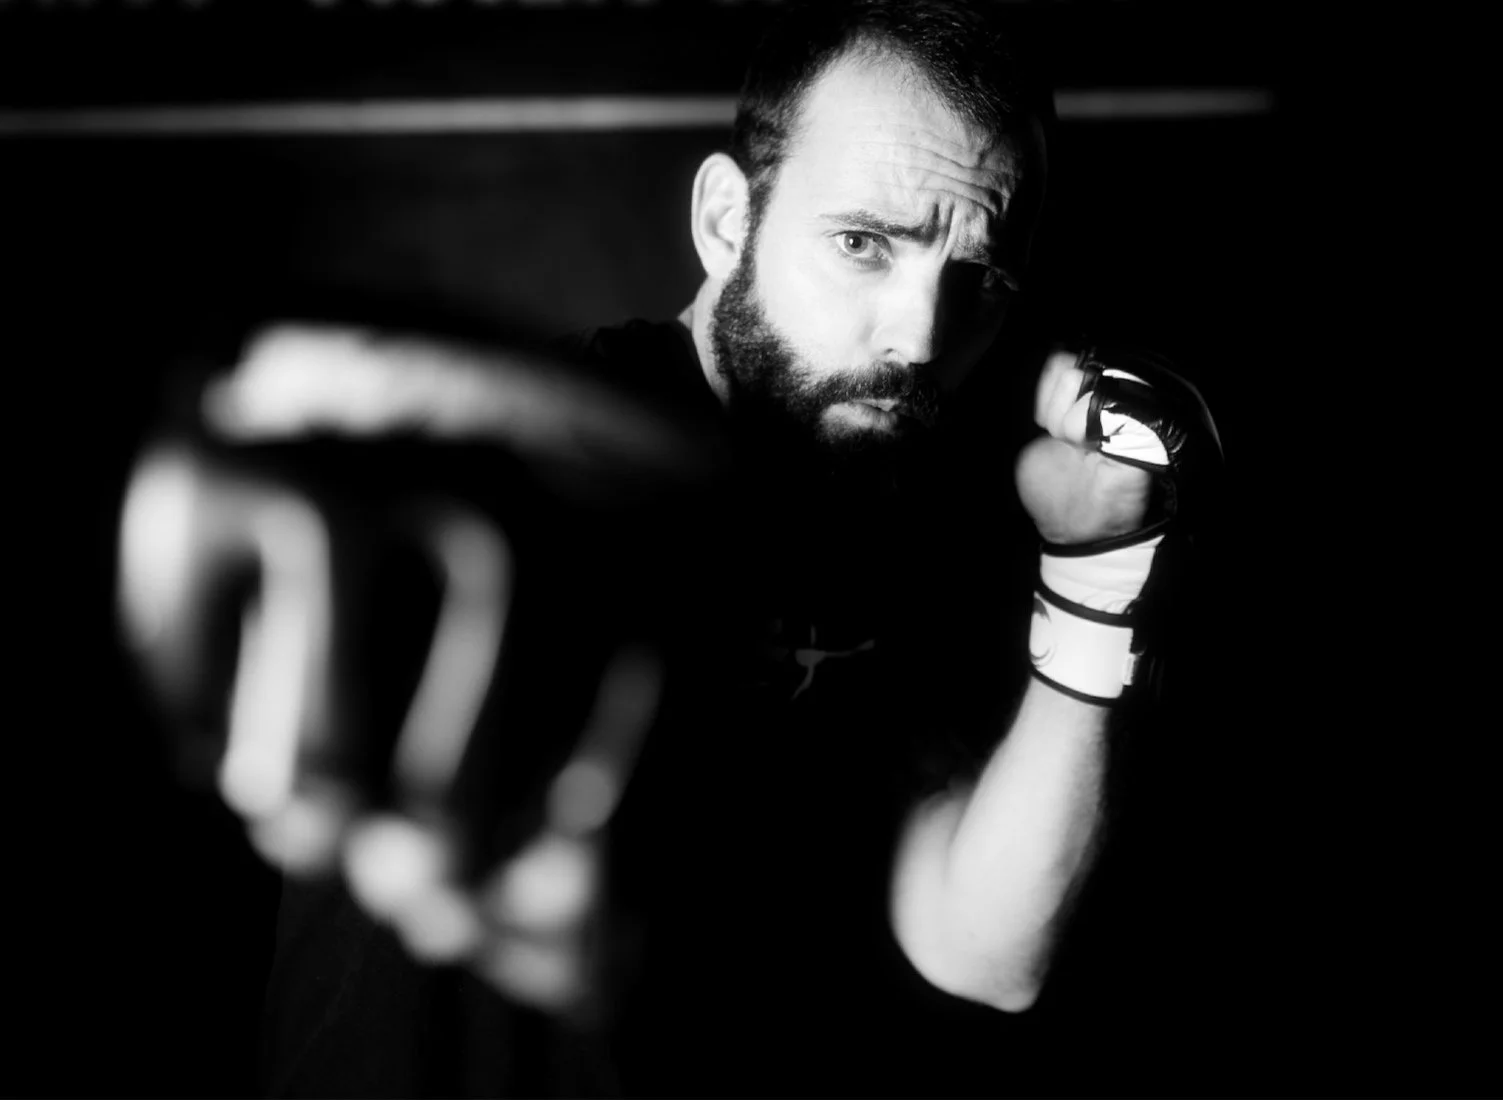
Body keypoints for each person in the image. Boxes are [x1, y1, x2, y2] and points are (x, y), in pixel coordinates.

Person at [116, 1, 1222, 1095]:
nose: (918, 336)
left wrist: (1099, 572)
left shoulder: (910, 524)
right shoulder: (563, 448)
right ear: (727, 222)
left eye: (975, 282)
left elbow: (985, 947)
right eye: (861, 244)